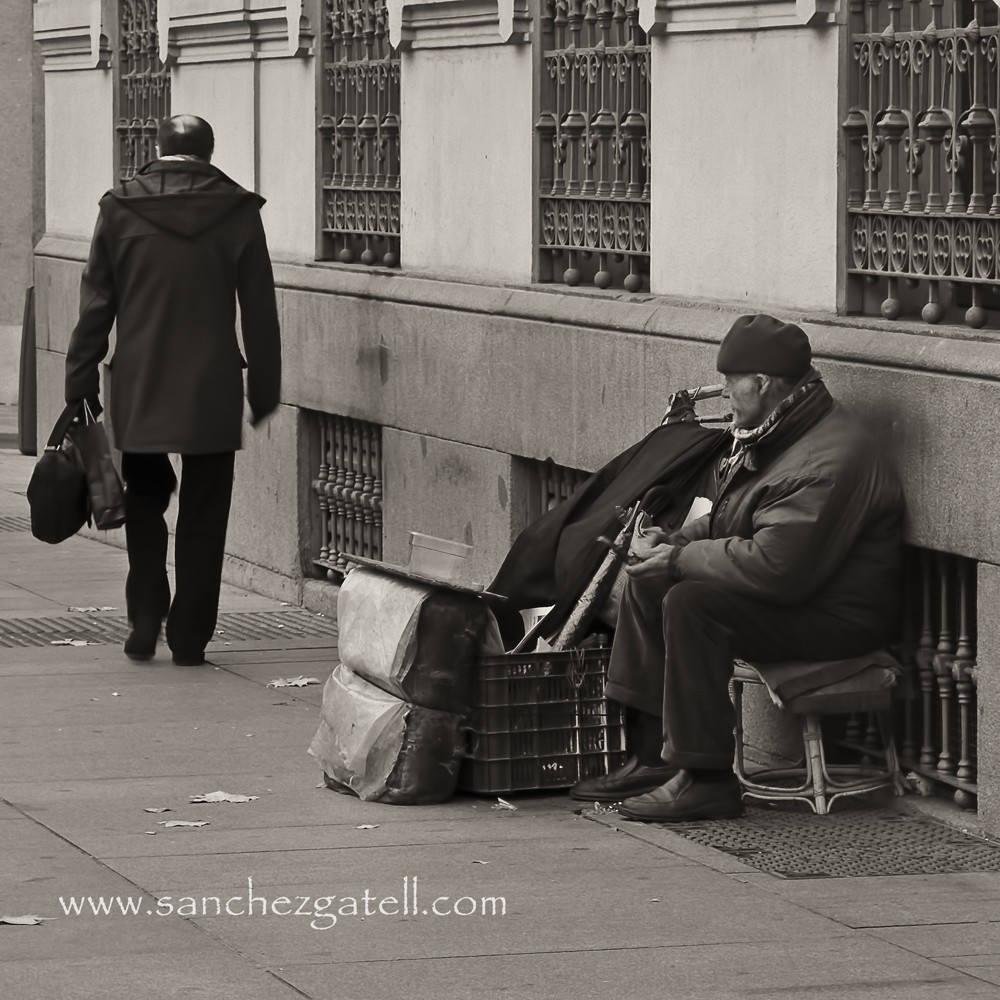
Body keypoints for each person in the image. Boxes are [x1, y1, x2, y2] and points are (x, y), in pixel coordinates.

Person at [570, 314, 905, 821]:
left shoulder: (825, 457)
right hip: (799, 599)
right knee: (651, 582)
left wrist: (680, 560)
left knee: (691, 601)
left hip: (840, 617)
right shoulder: (776, 433)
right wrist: (673, 542)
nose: (724, 393)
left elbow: (777, 568)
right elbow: (736, 522)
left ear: (762, 383)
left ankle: (705, 780)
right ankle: (654, 755)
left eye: (730, 383)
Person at [64, 115, 282, 666]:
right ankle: (190, 635)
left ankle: (144, 613)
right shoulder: (237, 212)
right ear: (209, 153)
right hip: (211, 384)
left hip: (141, 379)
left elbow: (97, 302)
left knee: (143, 497)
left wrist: (80, 377)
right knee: (206, 509)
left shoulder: (118, 208)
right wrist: (265, 384)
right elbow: (259, 307)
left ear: (158, 148)